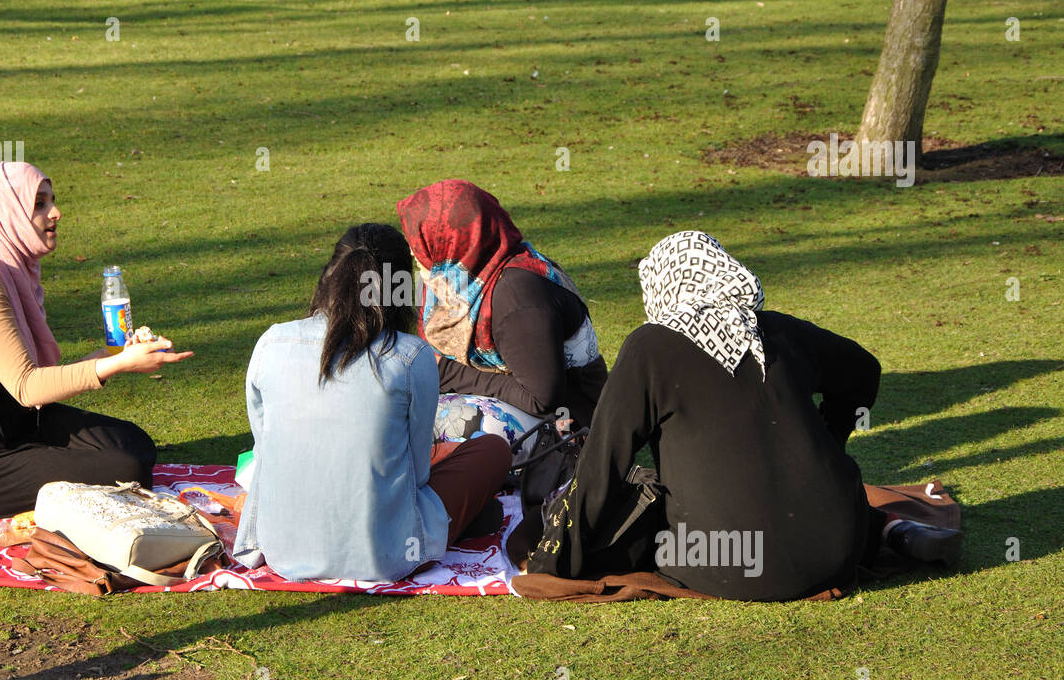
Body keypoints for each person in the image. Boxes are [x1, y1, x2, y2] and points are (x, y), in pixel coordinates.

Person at [551, 230, 959, 602]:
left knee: (646, 508)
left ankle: (884, 527)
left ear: (661, 285)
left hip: (724, 567)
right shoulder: (780, 332)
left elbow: (603, 466)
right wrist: (830, 440)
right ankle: (888, 528)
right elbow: (864, 371)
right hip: (838, 550)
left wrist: (560, 556)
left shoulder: (651, 347)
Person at [0, 161, 191, 521]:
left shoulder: (6, 267)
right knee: (125, 467)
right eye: (39, 204)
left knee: (134, 442)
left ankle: (45, 463)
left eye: (51, 200)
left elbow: (32, 380)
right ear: (6, 212)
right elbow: (27, 386)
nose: (56, 213)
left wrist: (112, 355)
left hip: (13, 427)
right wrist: (119, 363)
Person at [233, 223, 512, 582]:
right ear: (401, 290)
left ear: (327, 277)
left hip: (282, 550)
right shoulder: (411, 356)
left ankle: (465, 517)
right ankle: (461, 520)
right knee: (491, 450)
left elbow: (265, 446)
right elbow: (418, 473)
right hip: (386, 554)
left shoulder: (272, 342)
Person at [396, 179, 607, 431]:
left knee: (441, 427)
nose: (411, 250)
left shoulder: (517, 296)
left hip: (570, 430)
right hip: (515, 409)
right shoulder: (455, 277)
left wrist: (447, 373)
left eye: (421, 239)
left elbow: (542, 400)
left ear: (452, 242)